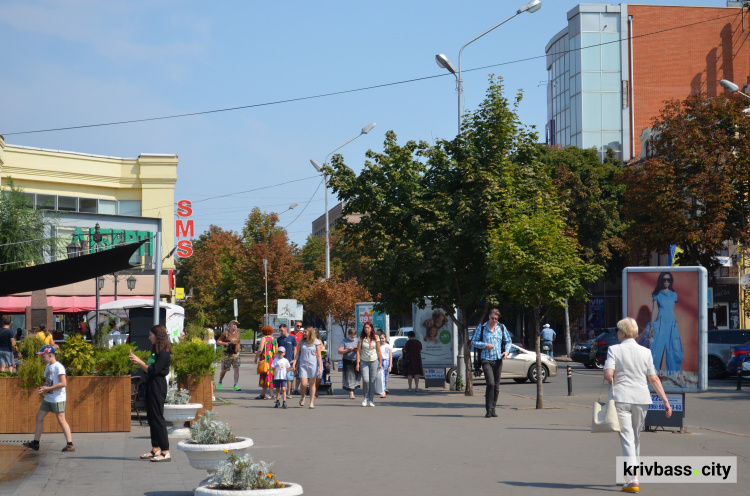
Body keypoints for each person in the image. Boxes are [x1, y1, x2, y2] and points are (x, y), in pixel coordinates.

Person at [605, 317, 672, 493]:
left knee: (627, 439)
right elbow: (654, 378)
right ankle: (632, 476)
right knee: (635, 437)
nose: (617, 333)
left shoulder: (614, 350)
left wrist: (611, 376)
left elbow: (608, 375)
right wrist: (665, 401)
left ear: (623, 332)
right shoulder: (645, 352)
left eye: (618, 330)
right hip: (642, 399)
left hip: (621, 398)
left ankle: (632, 479)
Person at [128, 325, 171, 462]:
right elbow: (148, 370)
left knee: (158, 418)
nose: (148, 337)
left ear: (157, 336)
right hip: (151, 385)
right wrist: (139, 362)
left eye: (151, 335)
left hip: (158, 386)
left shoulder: (164, 353)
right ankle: (155, 448)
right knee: (151, 418)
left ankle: (165, 451)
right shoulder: (156, 353)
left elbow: (154, 371)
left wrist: (139, 361)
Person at [22, 345, 75, 453]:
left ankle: (70, 445)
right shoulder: (48, 366)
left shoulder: (58, 367)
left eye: (43, 357)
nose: (42, 359)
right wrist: (43, 390)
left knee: (61, 420)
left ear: (50, 355)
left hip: (57, 398)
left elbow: (63, 383)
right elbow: (49, 381)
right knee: (39, 417)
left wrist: (47, 389)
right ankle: (36, 443)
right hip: (49, 397)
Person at [471, 308, 511, 418]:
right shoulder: (482, 328)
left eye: (496, 319)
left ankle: (493, 409)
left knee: (496, 386)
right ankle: (488, 409)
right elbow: (474, 342)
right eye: (492, 318)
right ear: (489, 317)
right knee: (490, 384)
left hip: (498, 359)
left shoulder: (501, 328)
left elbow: (508, 341)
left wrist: (506, 351)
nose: (494, 320)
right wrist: (485, 345)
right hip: (486, 359)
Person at [649, 271, 683, 377]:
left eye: (668, 280)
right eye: (664, 280)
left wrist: (676, 322)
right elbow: (655, 310)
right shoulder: (657, 294)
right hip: (659, 325)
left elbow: (672, 310)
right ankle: (654, 376)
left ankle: (673, 377)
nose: (666, 282)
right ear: (661, 281)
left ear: (671, 281)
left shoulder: (674, 295)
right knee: (655, 351)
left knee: (674, 351)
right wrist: (652, 325)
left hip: (672, 325)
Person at [294, 326, 322, 408]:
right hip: (303, 365)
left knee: (312, 383)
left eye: (306, 332)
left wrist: (320, 367)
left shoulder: (316, 342)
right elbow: (297, 354)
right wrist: (294, 363)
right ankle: (303, 396)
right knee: (303, 383)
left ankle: (311, 402)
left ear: (310, 333)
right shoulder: (301, 341)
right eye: (304, 332)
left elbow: (319, 356)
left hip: (313, 365)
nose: (304, 333)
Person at [356, 322, 382, 407]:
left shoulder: (376, 338)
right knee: (366, 380)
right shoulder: (361, 338)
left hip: (374, 361)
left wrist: (380, 362)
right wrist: (357, 363)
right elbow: (358, 351)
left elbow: (378, 350)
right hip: (364, 361)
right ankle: (365, 398)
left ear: (371, 328)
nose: (366, 329)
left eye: (368, 327)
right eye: (365, 328)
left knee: (372, 381)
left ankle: (371, 399)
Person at [217, 320, 242, 391]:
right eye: (234, 324)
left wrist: (238, 350)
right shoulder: (225, 333)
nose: (235, 326)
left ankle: (235, 384)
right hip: (227, 354)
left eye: (236, 325)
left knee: (236, 368)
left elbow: (238, 343)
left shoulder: (237, 334)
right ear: (230, 325)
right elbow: (218, 342)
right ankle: (220, 382)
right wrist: (225, 344)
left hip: (235, 354)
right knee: (224, 369)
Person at [254, 325, 277, 399]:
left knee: (266, 377)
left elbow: (260, 349)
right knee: (269, 376)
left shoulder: (263, 339)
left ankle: (271, 394)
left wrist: (256, 357)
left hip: (265, 360)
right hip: (272, 360)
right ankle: (263, 394)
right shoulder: (274, 339)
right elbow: (276, 350)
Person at [275, 323, 298, 398]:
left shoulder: (292, 338)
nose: (281, 332)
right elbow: (277, 350)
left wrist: (294, 359)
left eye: (282, 330)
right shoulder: (279, 339)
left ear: (286, 329)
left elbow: (295, 348)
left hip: (289, 360)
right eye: (280, 331)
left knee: (289, 377)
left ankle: (289, 393)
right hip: (281, 361)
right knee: (281, 376)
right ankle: (282, 392)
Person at [338, 328, 360, 399]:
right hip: (347, 360)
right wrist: (347, 350)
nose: (353, 337)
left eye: (354, 335)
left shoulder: (358, 340)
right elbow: (339, 351)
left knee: (357, 376)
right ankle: (351, 392)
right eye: (351, 335)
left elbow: (361, 350)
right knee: (349, 376)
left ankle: (353, 389)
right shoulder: (344, 341)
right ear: (349, 335)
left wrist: (358, 350)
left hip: (356, 360)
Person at [378, 331, 392, 397]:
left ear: (385, 338)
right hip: (381, 362)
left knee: (386, 378)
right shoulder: (378, 346)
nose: (381, 340)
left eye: (383, 338)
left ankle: (385, 389)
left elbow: (390, 356)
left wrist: (390, 365)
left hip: (387, 361)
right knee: (382, 377)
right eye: (380, 338)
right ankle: (383, 392)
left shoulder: (388, 346)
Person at [290, 321, 303, 394]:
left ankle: (296, 389)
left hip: (300, 355)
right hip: (291, 355)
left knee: (298, 373)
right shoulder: (290, 334)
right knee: (291, 372)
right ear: (294, 325)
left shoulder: (302, 335)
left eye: (300, 326)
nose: (299, 327)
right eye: (297, 326)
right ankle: (290, 388)